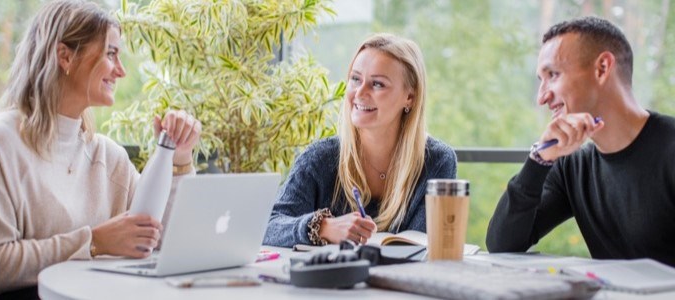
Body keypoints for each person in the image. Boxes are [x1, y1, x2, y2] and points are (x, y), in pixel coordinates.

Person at [0, 0, 202, 298]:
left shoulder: (108, 159)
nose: (121, 71)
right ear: (65, 56)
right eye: (111, 54)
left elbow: (164, 239)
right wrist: (95, 242)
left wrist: (178, 160)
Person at [486, 16, 675, 266]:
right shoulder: (572, 166)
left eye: (552, 75)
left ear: (602, 68)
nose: (542, 97)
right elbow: (502, 244)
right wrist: (538, 160)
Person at [263, 33, 457, 247]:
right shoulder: (320, 158)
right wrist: (323, 227)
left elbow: (423, 245)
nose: (359, 93)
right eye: (355, 79)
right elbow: (268, 227)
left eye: (378, 84)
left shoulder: (437, 161)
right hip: (335, 280)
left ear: (409, 97)